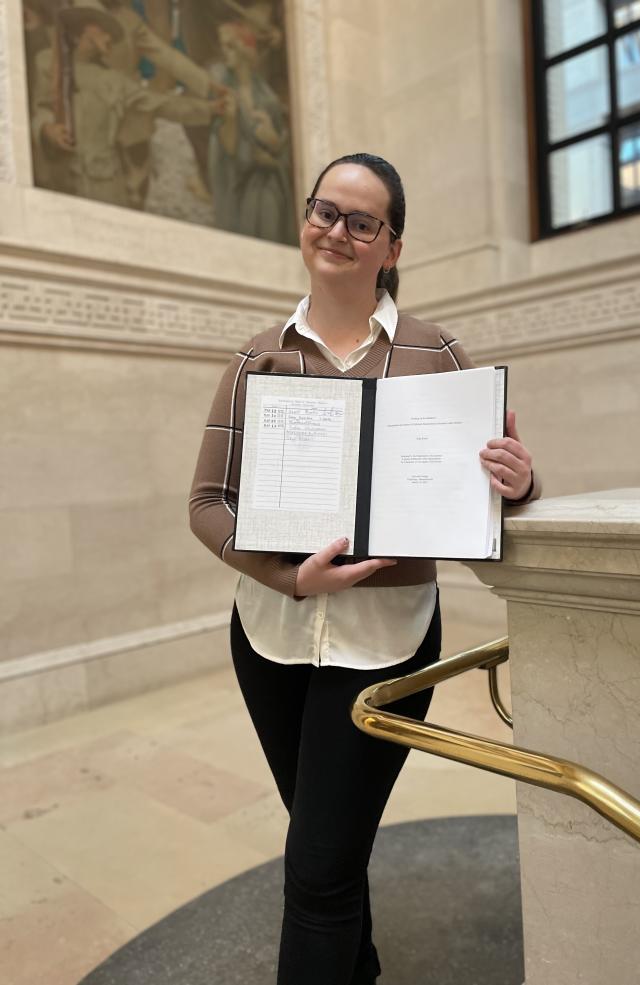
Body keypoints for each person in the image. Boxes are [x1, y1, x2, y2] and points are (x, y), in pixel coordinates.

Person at [189, 152, 540, 985]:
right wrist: (286, 578)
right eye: (323, 211)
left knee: (314, 867)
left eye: (360, 221)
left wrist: (519, 483)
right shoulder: (258, 357)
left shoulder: (434, 352)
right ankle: (362, 966)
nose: (335, 231)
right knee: (325, 842)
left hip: (387, 643)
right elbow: (207, 503)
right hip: (268, 637)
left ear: (392, 246)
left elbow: (489, 506)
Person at [31, 1, 224, 207]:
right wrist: (47, 127)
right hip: (83, 125)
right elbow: (49, 89)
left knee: (134, 191)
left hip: (132, 119)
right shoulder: (74, 15)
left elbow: (164, 54)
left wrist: (207, 84)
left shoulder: (129, 18)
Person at [208, 19, 296, 243]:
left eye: (230, 46)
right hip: (239, 183)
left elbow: (284, 153)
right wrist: (231, 122)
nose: (224, 52)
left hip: (268, 183)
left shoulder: (268, 100)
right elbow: (223, 148)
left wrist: (274, 143)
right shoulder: (223, 93)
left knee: (270, 233)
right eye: (222, 46)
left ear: (244, 51)